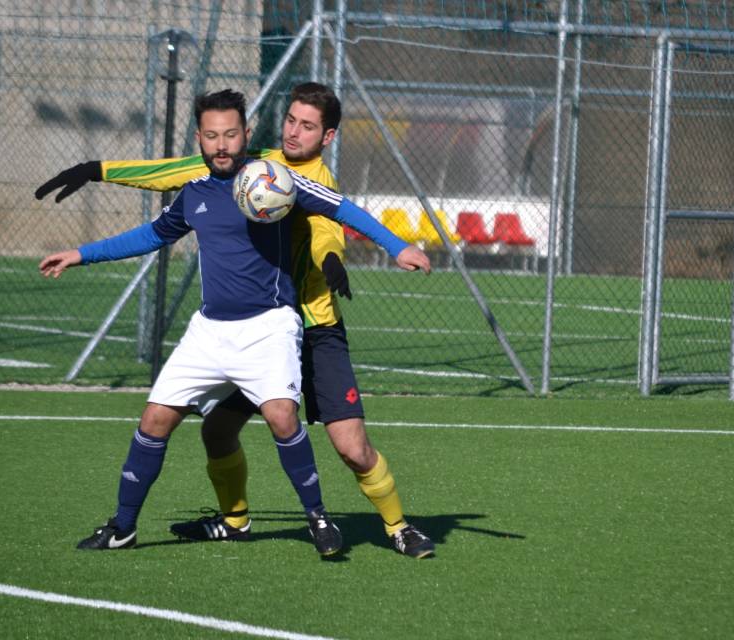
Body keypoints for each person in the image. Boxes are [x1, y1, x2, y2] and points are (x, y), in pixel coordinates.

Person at [36, 82, 437, 559]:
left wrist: (389, 248)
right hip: (218, 331)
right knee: (208, 429)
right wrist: (88, 218)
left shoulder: (278, 179)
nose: (293, 131)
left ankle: (391, 526)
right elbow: (155, 217)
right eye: (290, 120)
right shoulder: (211, 184)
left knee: (345, 446)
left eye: (307, 126)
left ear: (325, 136)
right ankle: (220, 522)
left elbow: (335, 214)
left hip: (297, 326)